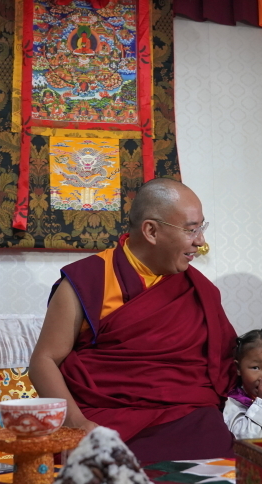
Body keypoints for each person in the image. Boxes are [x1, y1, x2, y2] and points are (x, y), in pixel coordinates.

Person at [29, 178, 237, 462]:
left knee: (220, 470)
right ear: (151, 231)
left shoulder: (199, 290)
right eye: (191, 230)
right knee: (98, 475)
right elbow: (43, 361)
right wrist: (77, 424)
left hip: (189, 417)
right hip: (104, 418)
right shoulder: (89, 280)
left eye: (202, 228)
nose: (200, 241)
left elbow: (227, 357)